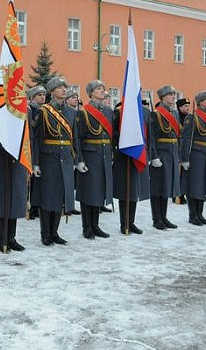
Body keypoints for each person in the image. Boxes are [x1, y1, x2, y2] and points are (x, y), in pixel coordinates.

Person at [31, 76, 80, 246]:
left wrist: (77, 159)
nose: (64, 90)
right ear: (52, 92)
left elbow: (75, 139)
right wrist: (35, 163)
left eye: (65, 87)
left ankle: (55, 232)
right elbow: (36, 139)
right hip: (48, 157)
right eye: (60, 87)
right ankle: (45, 233)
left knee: (60, 196)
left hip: (65, 157)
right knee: (47, 197)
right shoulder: (43, 111)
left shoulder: (71, 113)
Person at [0, 115, 28, 254]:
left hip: (18, 159)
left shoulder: (22, 112)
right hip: (1, 159)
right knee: (1, 201)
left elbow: (28, 137)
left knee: (14, 200)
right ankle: (1, 239)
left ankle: (11, 238)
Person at [75, 80, 113, 239]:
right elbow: (78, 138)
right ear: (91, 93)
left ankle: (96, 225)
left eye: (103, 88)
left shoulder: (108, 111)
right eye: (98, 89)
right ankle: (87, 227)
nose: (102, 91)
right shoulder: (83, 112)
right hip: (90, 154)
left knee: (99, 191)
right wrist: (79, 159)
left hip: (103, 154)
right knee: (88, 192)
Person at [113, 100, 151, 235]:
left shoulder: (145, 112)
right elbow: (113, 133)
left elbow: (149, 135)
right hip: (124, 154)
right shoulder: (119, 112)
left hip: (139, 154)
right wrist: (127, 137)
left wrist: (149, 155)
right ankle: (124, 223)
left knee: (134, 190)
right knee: (125, 190)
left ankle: (131, 222)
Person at [180, 91, 206, 226]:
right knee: (194, 186)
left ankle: (200, 214)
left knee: (203, 186)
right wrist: (184, 158)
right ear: (200, 102)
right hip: (195, 154)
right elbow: (186, 138)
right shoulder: (192, 117)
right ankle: (193, 215)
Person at [148, 85, 181, 230]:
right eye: (170, 95)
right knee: (157, 188)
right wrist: (153, 156)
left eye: (174, 94)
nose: (173, 97)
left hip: (172, 153)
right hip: (161, 154)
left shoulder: (174, 113)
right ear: (162, 97)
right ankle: (157, 219)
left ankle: (164, 217)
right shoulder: (156, 114)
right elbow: (152, 136)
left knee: (166, 187)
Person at [27, 85, 46, 220]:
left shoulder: (46, 110)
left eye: (43, 95)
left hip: (43, 148)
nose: (42, 97)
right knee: (32, 179)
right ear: (32, 97)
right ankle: (31, 206)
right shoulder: (30, 111)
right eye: (39, 95)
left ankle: (38, 205)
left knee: (41, 180)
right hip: (32, 146)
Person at [175, 97, 191, 205]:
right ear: (180, 107)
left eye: (188, 106)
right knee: (178, 173)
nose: (188, 108)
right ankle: (177, 194)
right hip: (178, 148)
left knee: (185, 173)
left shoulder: (190, 118)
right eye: (185, 106)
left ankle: (183, 192)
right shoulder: (176, 118)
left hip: (187, 148)